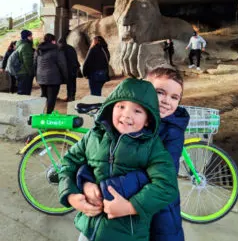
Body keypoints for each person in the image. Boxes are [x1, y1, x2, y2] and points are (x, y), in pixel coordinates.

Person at [58, 77, 178, 241]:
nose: (126, 115)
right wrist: (72, 195)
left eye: (137, 111)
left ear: (148, 119)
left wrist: (131, 207)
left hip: (128, 234)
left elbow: (166, 186)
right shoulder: (94, 136)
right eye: (121, 106)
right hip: (89, 229)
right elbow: (68, 163)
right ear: (110, 108)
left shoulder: (152, 147)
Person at [34, 33, 68, 114]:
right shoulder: (57, 50)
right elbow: (62, 65)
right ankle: (48, 115)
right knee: (52, 98)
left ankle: (40, 113)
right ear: (53, 41)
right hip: (53, 78)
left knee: (44, 96)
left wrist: (37, 76)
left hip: (41, 77)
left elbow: (34, 64)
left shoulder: (38, 50)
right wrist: (65, 77)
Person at [58, 37, 80, 102]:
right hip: (74, 68)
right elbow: (76, 58)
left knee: (69, 84)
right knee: (73, 83)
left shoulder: (61, 49)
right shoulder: (71, 48)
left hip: (67, 69)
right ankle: (72, 97)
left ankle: (69, 97)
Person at [15, 30, 34, 95]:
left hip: (20, 71)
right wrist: (31, 72)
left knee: (21, 92)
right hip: (25, 73)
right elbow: (27, 61)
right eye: (31, 36)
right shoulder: (26, 46)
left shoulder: (19, 45)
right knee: (25, 93)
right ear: (27, 37)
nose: (32, 37)